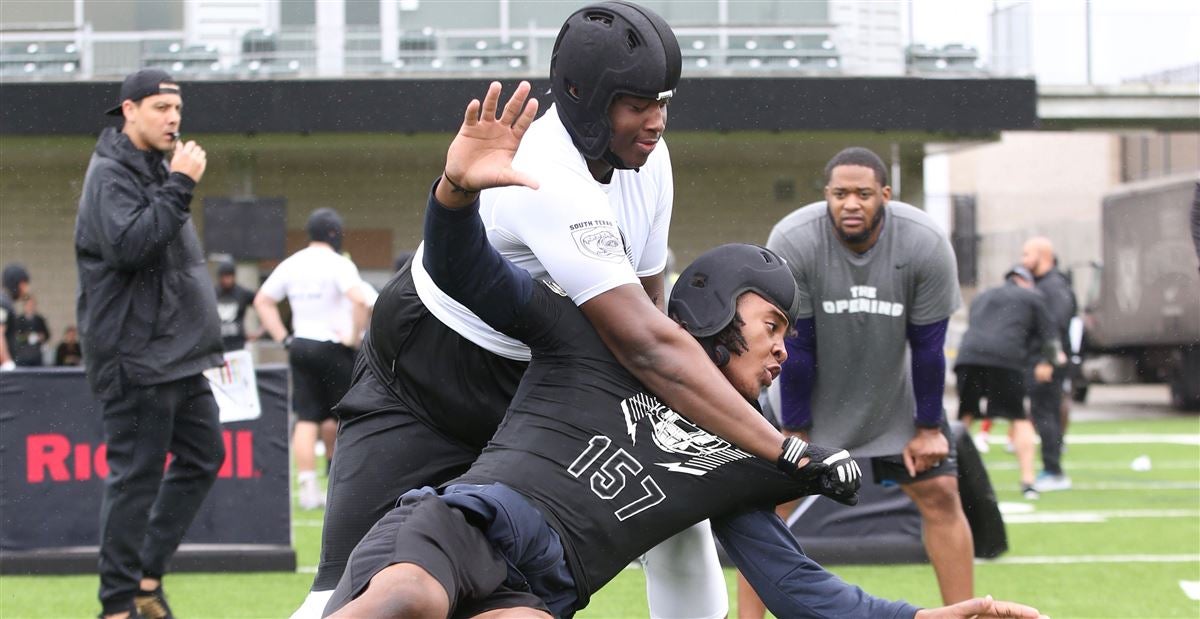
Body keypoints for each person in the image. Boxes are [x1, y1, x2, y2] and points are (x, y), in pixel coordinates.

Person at [323, 83, 1044, 619]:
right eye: (774, 325)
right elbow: (460, 267)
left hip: (537, 591)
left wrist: (918, 616)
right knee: (407, 600)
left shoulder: (738, 456)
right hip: (460, 526)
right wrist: (453, 191)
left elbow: (793, 583)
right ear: (716, 309)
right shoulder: (587, 336)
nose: (784, 351)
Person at [296, 5, 799, 618]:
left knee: (678, 526)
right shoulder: (540, 170)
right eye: (637, 103)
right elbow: (644, 342)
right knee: (340, 594)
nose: (657, 122)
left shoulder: (650, 162)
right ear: (585, 97)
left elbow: (649, 305)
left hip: (538, 378)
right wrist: (781, 448)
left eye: (664, 102)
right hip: (425, 376)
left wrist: (686, 437)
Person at [752, 146, 973, 611]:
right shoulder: (794, 238)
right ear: (826, 195)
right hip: (809, 401)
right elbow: (798, 345)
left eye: (863, 194)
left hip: (894, 400)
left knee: (941, 494)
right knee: (765, 511)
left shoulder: (924, 242)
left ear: (885, 196)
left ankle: (964, 614)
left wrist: (930, 427)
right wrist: (793, 429)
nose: (850, 203)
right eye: (839, 193)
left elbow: (929, 346)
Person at [75, 67, 225, 619]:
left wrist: (173, 181)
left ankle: (145, 577)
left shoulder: (157, 168)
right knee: (135, 480)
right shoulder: (110, 173)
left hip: (178, 356)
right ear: (129, 111)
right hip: (135, 357)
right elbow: (130, 246)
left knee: (205, 455)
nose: (173, 119)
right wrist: (181, 185)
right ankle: (117, 606)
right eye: (161, 109)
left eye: (178, 110)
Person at [253, 208, 368, 510]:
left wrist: (283, 338)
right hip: (332, 345)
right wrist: (354, 336)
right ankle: (343, 482)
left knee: (306, 418)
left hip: (300, 343)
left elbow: (262, 301)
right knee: (343, 415)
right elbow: (359, 300)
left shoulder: (293, 263)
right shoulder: (337, 264)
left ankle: (307, 488)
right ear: (334, 233)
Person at [955, 266, 1060, 500]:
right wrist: (1048, 361)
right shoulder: (1032, 296)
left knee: (965, 416)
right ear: (1026, 282)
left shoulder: (983, 296)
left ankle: (948, 476)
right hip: (1005, 358)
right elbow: (1049, 334)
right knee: (1019, 418)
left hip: (968, 356)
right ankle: (1028, 482)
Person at [1020, 237, 1077, 492]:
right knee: (1043, 413)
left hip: (1047, 362)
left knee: (1046, 413)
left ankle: (1054, 471)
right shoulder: (1042, 285)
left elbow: (1055, 325)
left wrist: (1047, 360)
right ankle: (1051, 469)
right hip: (1040, 359)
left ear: (1042, 255)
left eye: (1026, 254)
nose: (1023, 260)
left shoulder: (1054, 287)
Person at [214, 261, 258, 352]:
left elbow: (264, 306)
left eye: (229, 276)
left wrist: (259, 332)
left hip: (239, 343)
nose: (226, 280)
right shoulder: (213, 293)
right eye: (224, 276)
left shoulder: (242, 293)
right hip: (218, 345)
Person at [1, 263, 31, 370]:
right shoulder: (3, 303)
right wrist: (6, 362)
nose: (27, 290)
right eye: (26, 285)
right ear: (20, 284)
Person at [11, 293, 51, 366]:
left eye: (33, 304)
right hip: (22, 354)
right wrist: (27, 337)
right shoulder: (19, 320)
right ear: (25, 305)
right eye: (29, 305)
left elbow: (47, 335)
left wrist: (41, 337)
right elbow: (16, 337)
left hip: (36, 354)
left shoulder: (39, 319)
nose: (31, 307)